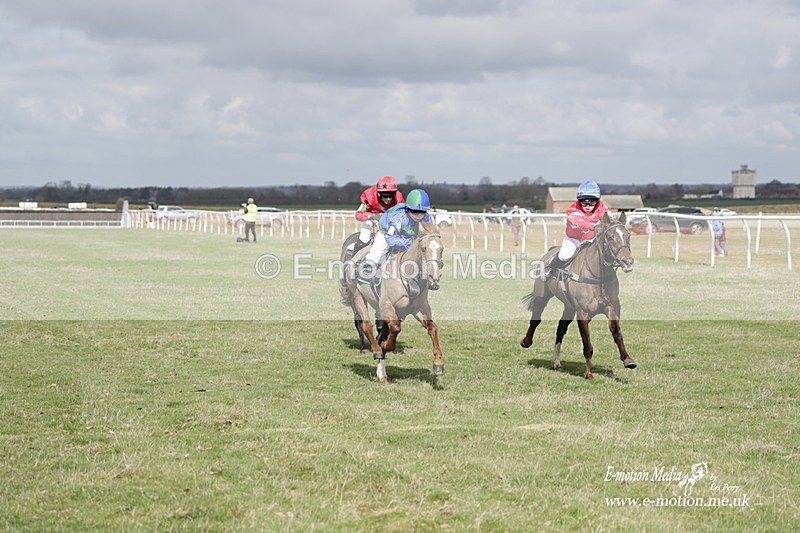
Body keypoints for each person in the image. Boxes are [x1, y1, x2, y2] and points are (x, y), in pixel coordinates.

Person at [359, 188, 433, 280]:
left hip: (407, 236)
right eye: (415, 212)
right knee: (375, 257)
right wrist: (406, 243)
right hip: (386, 232)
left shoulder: (427, 218)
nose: (419, 216)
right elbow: (389, 238)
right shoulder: (398, 218)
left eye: (422, 212)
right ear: (407, 209)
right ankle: (364, 273)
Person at [546, 180, 609, 278]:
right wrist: (595, 226)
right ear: (579, 201)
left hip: (592, 240)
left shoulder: (602, 208)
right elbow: (579, 222)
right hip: (574, 239)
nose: (588, 205)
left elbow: (610, 219)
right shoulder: (573, 210)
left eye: (591, 201)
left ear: (597, 201)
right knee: (564, 256)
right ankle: (551, 267)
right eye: (584, 202)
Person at [348, 176, 405, 257]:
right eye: (385, 195)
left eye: (391, 195)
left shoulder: (399, 199)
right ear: (378, 193)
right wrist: (373, 216)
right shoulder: (369, 197)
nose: (388, 199)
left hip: (388, 220)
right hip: (370, 217)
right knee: (365, 238)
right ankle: (353, 262)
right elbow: (358, 214)